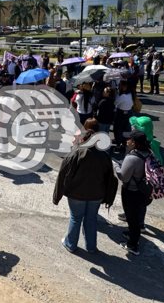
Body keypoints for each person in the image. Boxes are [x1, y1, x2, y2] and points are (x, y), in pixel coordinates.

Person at [53, 119, 117, 254]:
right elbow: (110, 178)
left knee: (76, 218)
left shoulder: (75, 153)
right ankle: (91, 247)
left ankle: (70, 244)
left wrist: (57, 196)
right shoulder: (104, 155)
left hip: (76, 194)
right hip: (97, 195)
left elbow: (63, 175)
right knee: (91, 219)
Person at [117, 130, 152, 255]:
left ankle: (132, 245)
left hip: (132, 192)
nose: (127, 141)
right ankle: (133, 233)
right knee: (136, 216)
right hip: (144, 191)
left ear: (134, 142)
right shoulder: (148, 153)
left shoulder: (132, 158)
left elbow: (123, 177)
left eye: (129, 139)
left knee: (132, 218)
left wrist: (116, 167)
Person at [113, 81, 134, 149]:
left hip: (121, 113)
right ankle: (125, 143)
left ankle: (118, 144)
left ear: (124, 87)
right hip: (129, 112)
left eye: (120, 85)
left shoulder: (122, 96)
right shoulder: (130, 93)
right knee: (126, 128)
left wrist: (117, 94)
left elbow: (115, 103)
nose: (119, 87)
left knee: (118, 129)